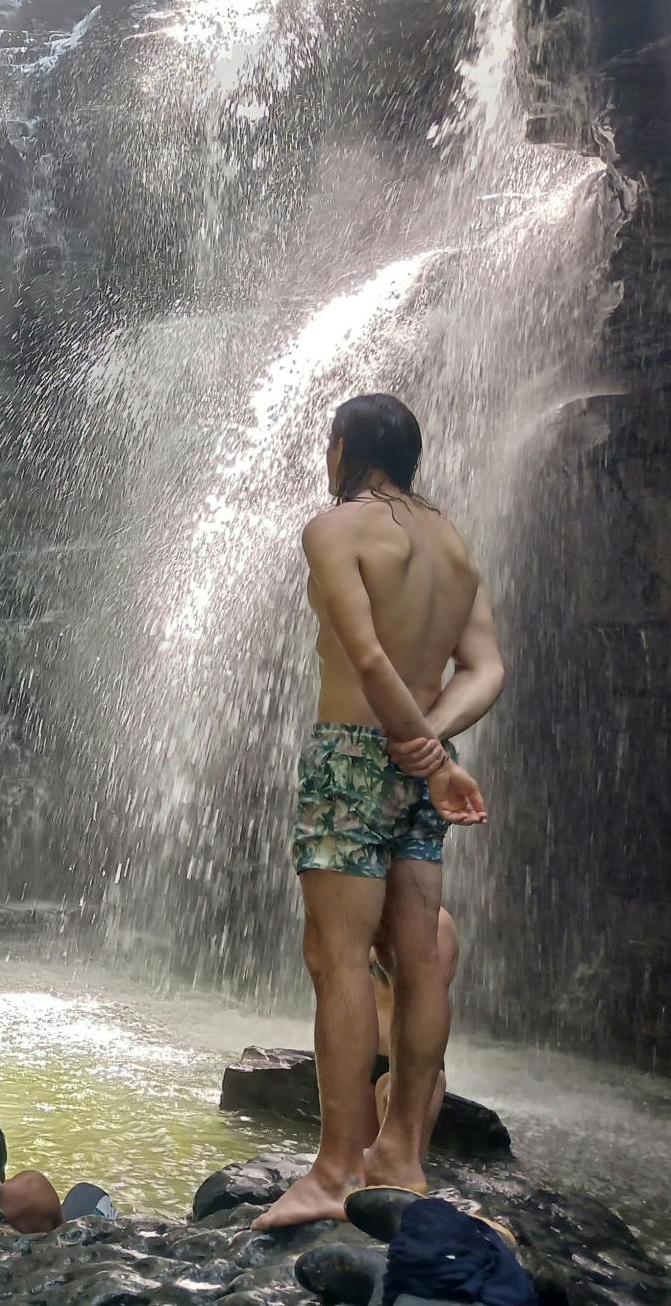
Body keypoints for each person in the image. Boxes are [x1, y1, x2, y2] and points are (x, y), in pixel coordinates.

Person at [257, 395, 505, 1231]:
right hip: (419, 760)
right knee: (418, 958)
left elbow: (363, 653)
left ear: (342, 452)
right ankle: (400, 1157)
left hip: (358, 752)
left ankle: (334, 1169)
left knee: (337, 956)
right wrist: (434, 743)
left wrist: (418, 748)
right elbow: (486, 668)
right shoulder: (452, 542)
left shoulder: (334, 530)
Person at [373, 907, 460, 1138]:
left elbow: (427, 998)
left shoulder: (436, 925)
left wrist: (400, 1078)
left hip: (404, 1067)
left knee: (398, 1160)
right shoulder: (359, 911)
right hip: (360, 1063)